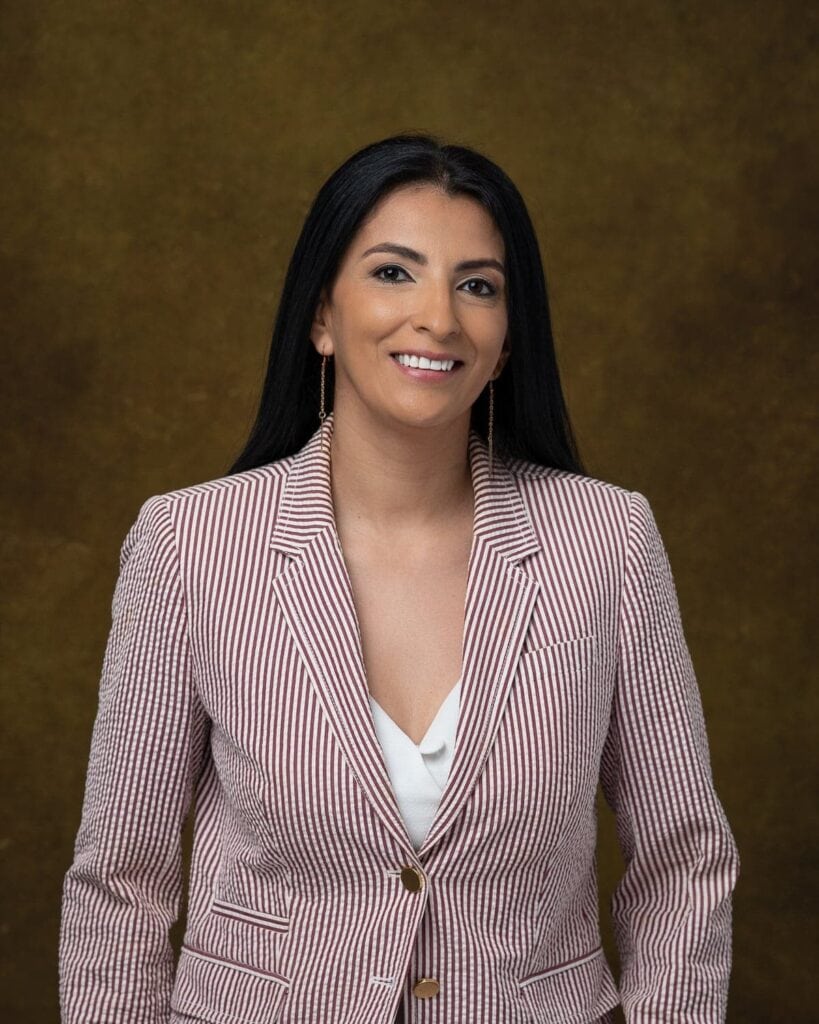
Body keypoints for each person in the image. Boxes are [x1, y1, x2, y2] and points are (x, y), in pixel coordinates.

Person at [58, 133, 740, 1024]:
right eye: (393, 273)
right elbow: (121, 883)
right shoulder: (189, 544)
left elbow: (681, 861)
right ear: (321, 317)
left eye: (478, 285)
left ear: (504, 344)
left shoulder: (606, 541)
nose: (439, 317)